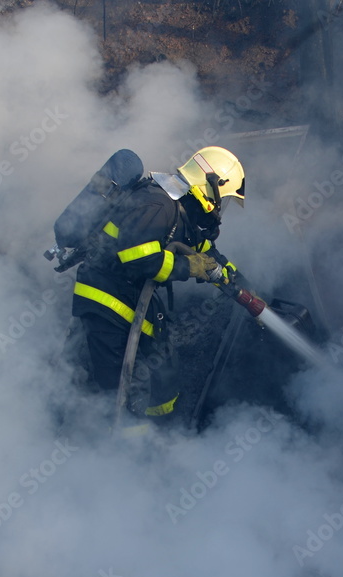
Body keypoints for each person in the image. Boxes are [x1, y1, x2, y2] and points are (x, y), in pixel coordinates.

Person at [69, 146, 245, 420]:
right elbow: (139, 258)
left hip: (129, 296)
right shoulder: (158, 203)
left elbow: (206, 253)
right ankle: (120, 444)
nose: (225, 207)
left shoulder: (181, 211)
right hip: (106, 299)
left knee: (162, 368)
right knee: (121, 387)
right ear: (211, 188)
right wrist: (191, 267)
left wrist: (238, 283)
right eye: (227, 198)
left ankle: (159, 431)